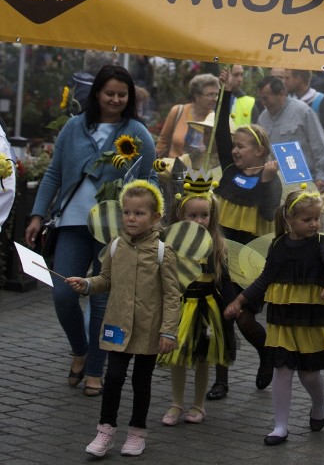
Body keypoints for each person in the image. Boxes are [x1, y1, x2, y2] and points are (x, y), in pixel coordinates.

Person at [25, 64, 157, 398]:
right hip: (71, 223)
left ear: (129, 98)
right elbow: (54, 173)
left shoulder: (138, 133)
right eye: (109, 93)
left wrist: (147, 218)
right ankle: (80, 349)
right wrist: (38, 214)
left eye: (121, 94)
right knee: (63, 294)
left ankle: (96, 371)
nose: (115, 99)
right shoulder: (73, 127)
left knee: (102, 304)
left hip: (116, 233)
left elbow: (151, 179)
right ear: (96, 93)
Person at [67, 180, 181, 458]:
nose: (131, 218)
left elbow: (172, 295)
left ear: (155, 217)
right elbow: (105, 279)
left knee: (141, 381)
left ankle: (137, 432)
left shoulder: (162, 253)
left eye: (139, 213)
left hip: (148, 329)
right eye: (127, 212)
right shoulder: (116, 246)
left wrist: (168, 332)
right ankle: (105, 430)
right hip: (116, 325)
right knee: (114, 376)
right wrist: (87, 283)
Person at [224, 188, 324, 445]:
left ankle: (318, 403)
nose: (314, 223)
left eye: (317, 218)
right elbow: (265, 279)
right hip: (283, 317)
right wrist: (239, 300)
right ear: (289, 219)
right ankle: (280, 426)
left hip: (312, 317)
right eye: (307, 219)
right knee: (282, 368)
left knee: (309, 375)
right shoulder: (278, 245)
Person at [158, 181, 235, 423]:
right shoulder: (171, 245)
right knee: (176, 356)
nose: (199, 220)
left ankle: (198, 405)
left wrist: (234, 305)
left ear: (212, 217)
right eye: (193, 215)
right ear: (181, 215)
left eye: (204, 215)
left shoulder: (217, 246)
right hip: (180, 307)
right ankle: (176, 403)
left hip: (206, 308)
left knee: (203, 358)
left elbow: (226, 281)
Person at [214, 123, 282, 394]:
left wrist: (266, 181)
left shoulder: (271, 179)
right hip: (224, 255)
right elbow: (220, 133)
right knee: (223, 317)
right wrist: (226, 91)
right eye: (234, 145)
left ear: (259, 150)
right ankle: (221, 380)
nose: (234, 150)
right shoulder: (230, 172)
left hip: (253, 259)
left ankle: (266, 353)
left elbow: (268, 214)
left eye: (241, 146)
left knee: (244, 318)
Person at [256, 75, 324, 185]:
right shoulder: (262, 119)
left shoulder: (303, 112)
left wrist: (321, 178)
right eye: (261, 98)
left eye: (266, 98)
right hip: (273, 184)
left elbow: (321, 148)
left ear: (281, 94)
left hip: (303, 183)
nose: (263, 103)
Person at [156, 74, 220, 159]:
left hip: (198, 171)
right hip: (171, 169)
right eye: (210, 95)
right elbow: (163, 141)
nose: (215, 99)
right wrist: (159, 166)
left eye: (216, 94)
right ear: (196, 96)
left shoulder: (214, 119)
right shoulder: (178, 111)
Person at [284, 69, 324, 160]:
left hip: (316, 164)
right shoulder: (287, 102)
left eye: (287, 78)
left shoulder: (321, 101)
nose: (284, 82)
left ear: (298, 78)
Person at [227, 64, 257, 131]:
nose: (240, 79)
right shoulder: (216, 99)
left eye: (241, 75)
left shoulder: (250, 102)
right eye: (236, 75)